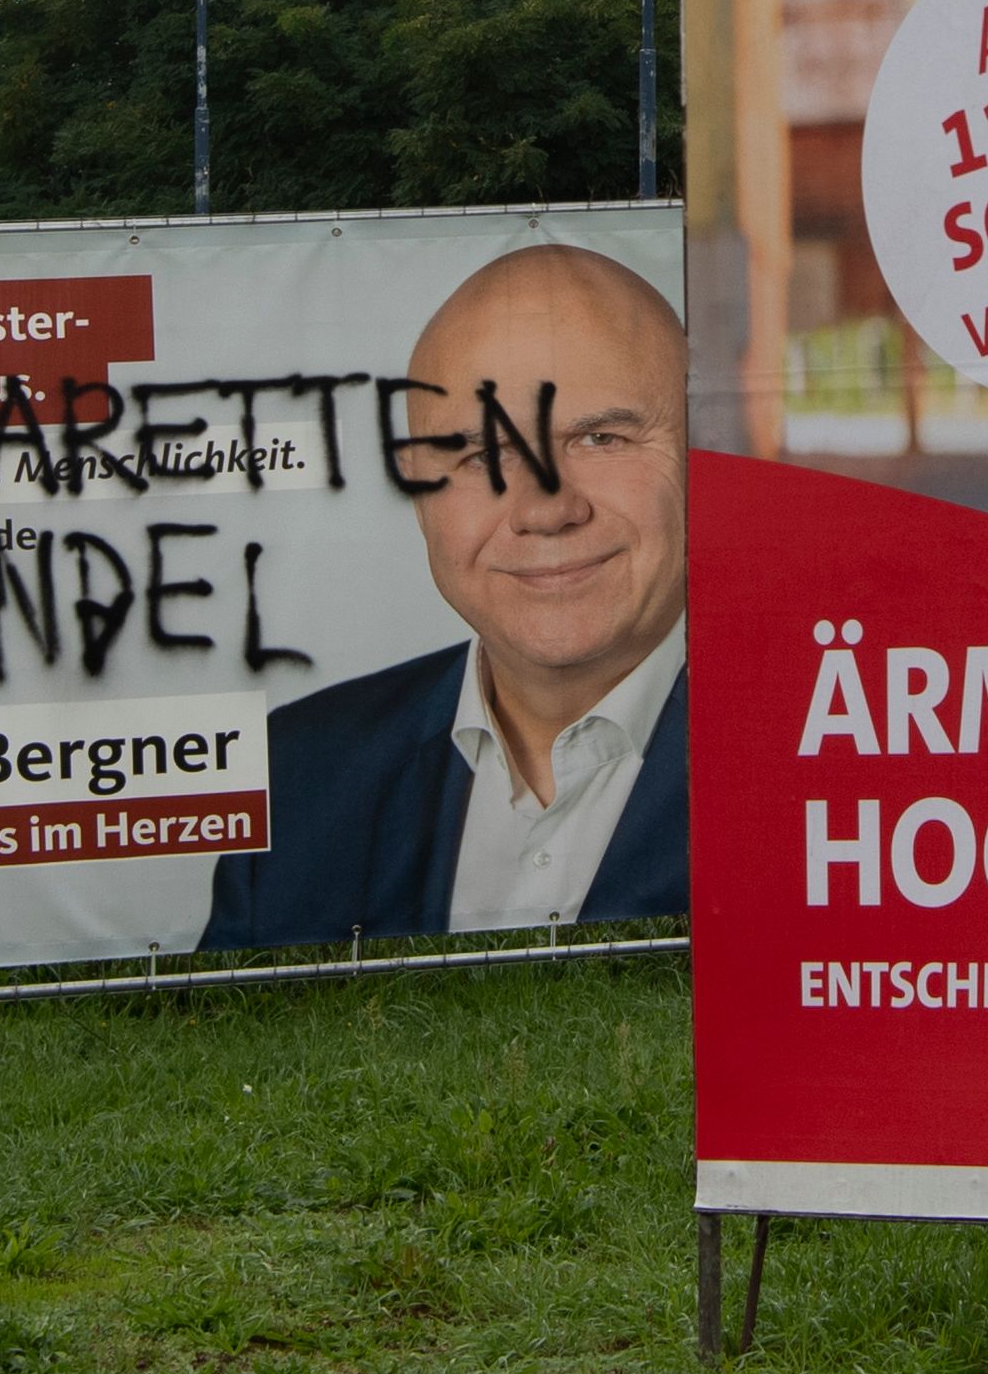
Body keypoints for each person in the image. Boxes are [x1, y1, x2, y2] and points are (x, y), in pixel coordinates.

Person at [201, 243, 692, 946]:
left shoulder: (837, 762)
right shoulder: (300, 778)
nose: (544, 509)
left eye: (599, 438)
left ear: (707, 444)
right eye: (479, 455)